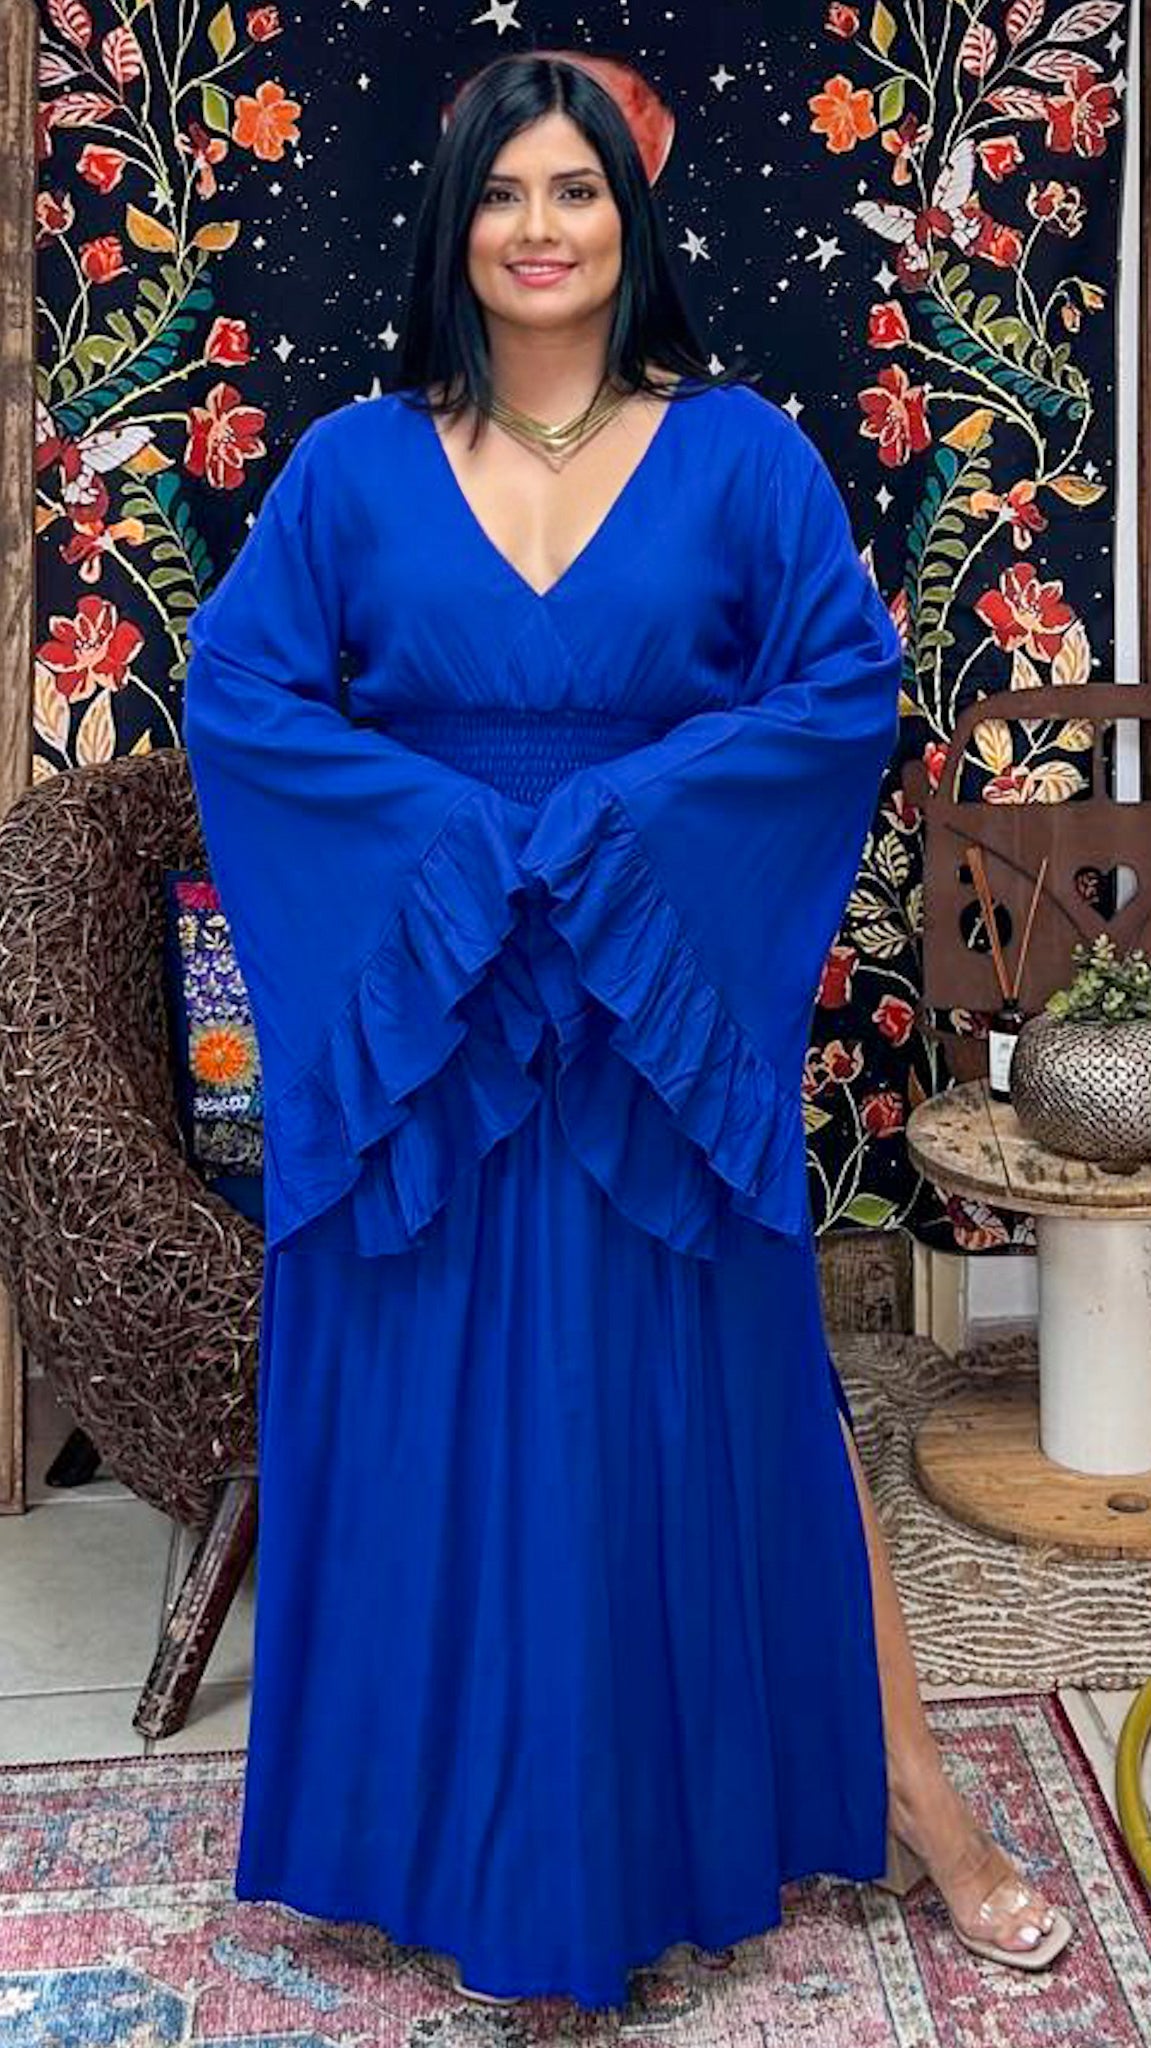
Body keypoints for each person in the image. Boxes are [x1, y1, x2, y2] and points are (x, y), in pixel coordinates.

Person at [182, 50, 1071, 2011]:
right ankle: (463, 1851)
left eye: (575, 188)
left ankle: (918, 1796)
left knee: (742, 1421)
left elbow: (839, 692)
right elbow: (241, 697)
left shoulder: (741, 453)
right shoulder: (351, 464)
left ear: (628, 218)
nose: (540, 227)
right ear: (456, 225)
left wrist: (613, 836)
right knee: (432, 1442)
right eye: (504, 191)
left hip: (651, 1019)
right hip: (442, 1027)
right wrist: (455, 850)